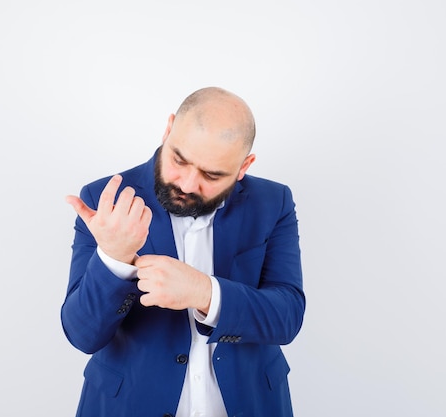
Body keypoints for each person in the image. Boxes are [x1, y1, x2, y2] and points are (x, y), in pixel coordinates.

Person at [61, 87, 305, 417]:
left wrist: (203, 292)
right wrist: (113, 258)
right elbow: (82, 335)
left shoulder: (272, 202)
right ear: (168, 129)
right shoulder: (105, 198)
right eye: (180, 159)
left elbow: (286, 317)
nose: (188, 184)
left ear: (244, 165)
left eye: (212, 174)